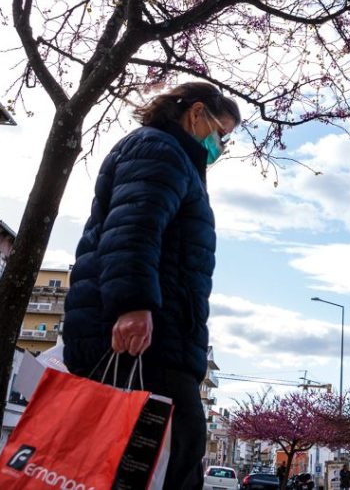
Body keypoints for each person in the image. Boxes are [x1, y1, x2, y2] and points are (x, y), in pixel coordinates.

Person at [62, 81, 240, 490]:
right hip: (145, 342)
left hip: (159, 338)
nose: (220, 146)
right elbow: (133, 229)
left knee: (146, 463)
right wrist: (133, 305)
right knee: (170, 457)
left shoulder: (169, 154)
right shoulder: (160, 151)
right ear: (196, 114)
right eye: (220, 133)